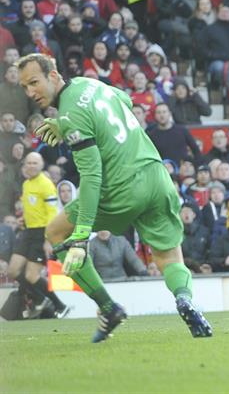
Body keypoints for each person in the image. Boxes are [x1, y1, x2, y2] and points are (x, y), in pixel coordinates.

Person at [18, 54, 211, 341]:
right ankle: (184, 298)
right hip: (156, 177)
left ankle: (108, 308)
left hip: (122, 189)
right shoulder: (91, 84)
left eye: (34, 82)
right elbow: (127, 102)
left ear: (54, 75)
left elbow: (92, 176)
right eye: (24, 87)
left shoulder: (70, 116)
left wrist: (82, 235)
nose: (31, 92)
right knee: (169, 256)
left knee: (57, 231)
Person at [7, 152, 69, 318]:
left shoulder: (46, 184)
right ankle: (39, 297)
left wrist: (48, 239)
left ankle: (59, 305)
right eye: (29, 163)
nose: (31, 166)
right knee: (12, 270)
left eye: (35, 163)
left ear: (41, 165)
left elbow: (52, 213)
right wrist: (24, 220)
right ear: (25, 165)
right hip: (29, 231)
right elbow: (33, 207)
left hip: (43, 232)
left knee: (31, 275)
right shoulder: (27, 184)